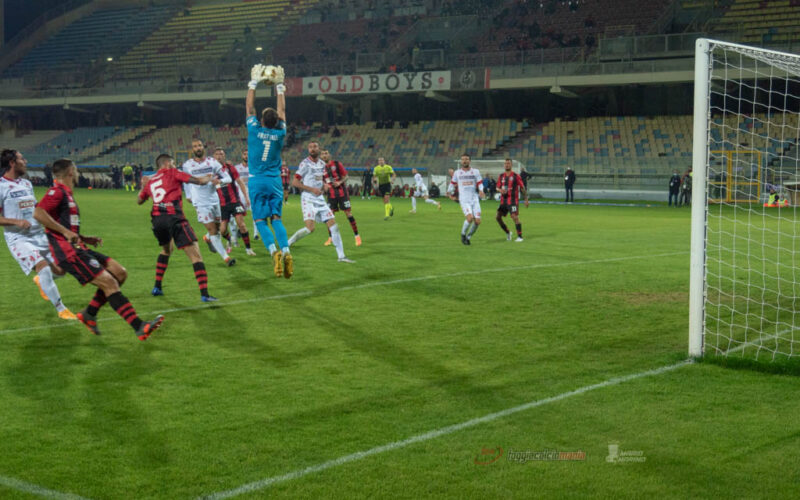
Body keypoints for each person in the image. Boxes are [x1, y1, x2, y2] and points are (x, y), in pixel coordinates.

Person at [34, 159, 163, 340]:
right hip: (68, 252)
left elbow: (64, 224)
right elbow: (38, 213)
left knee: (120, 273)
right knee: (109, 283)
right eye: (76, 170)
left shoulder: (67, 193)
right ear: (71, 171)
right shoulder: (56, 191)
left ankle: (89, 314)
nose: (77, 173)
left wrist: (84, 238)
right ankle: (139, 326)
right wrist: (65, 233)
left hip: (79, 246)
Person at [0, 149, 76, 320]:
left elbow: (36, 209)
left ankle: (41, 281)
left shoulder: (27, 184)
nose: (25, 161)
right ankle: (61, 309)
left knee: (62, 269)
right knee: (43, 266)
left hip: (39, 235)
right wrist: (16, 222)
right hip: (19, 239)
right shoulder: (1, 186)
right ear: (12, 163)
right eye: (21, 159)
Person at [137, 154, 218, 301]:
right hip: (175, 218)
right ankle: (205, 294)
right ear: (168, 163)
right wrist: (209, 176)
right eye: (173, 163)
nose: (175, 166)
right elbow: (199, 181)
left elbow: (139, 201)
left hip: (157, 220)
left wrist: (143, 186)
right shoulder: (173, 172)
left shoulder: (151, 180)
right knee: (196, 255)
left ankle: (157, 287)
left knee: (167, 250)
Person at [246, 63, 293, 278]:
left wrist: (253, 82)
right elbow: (281, 111)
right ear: (276, 122)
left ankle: (273, 251)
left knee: (259, 221)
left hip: (257, 180)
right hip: (275, 181)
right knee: (277, 219)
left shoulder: (254, 130)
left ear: (261, 120)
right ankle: (286, 251)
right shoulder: (280, 133)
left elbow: (249, 109)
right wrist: (280, 86)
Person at [288, 141, 355, 263]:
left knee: (334, 227)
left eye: (315, 147)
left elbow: (322, 179)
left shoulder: (322, 164)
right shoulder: (305, 164)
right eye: (310, 147)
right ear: (308, 150)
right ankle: (288, 243)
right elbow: (295, 182)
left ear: (319, 149)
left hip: (320, 199)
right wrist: (311, 189)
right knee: (310, 229)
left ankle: (341, 256)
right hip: (308, 199)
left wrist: (324, 186)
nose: (313, 149)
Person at [182, 139, 236, 267]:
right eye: (195, 146)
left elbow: (228, 178)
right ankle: (226, 257)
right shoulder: (187, 165)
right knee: (214, 230)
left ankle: (207, 238)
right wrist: (189, 195)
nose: (198, 148)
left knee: (217, 228)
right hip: (200, 202)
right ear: (192, 149)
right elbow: (185, 181)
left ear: (203, 147)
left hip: (214, 200)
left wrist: (220, 182)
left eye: (199, 145)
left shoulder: (213, 162)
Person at [212, 147, 255, 256]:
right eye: (217, 154)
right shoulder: (211, 170)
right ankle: (230, 239)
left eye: (221, 154)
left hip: (234, 201)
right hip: (222, 204)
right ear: (214, 156)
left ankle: (248, 249)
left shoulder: (230, 168)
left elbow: (240, 182)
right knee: (222, 231)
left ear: (224, 156)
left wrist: (246, 197)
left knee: (242, 224)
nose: (219, 156)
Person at [321, 149, 361, 247]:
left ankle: (357, 236)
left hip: (342, 193)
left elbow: (346, 176)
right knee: (329, 216)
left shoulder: (337, 164)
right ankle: (330, 238)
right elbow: (322, 180)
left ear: (329, 154)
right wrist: (324, 185)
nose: (324, 155)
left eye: (326, 153)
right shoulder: (321, 167)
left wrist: (339, 182)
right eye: (322, 154)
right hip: (331, 195)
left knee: (348, 214)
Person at [451, 153, 485, 245]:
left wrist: (481, 190)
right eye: (463, 159)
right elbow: (452, 184)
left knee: (477, 221)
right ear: (461, 161)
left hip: (474, 199)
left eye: (466, 159)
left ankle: (468, 237)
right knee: (470, 218)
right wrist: (449, 193)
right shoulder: (457, 173)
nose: (464, 161)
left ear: (470, 161)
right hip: (464, 200)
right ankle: (463, 234)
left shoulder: (476, 171)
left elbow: (480, 183)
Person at [496, 158, 529, 242]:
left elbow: (522, 188)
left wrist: (526, 199)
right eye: (505, 163)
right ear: (504, 165)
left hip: (513, 200)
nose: (507, 165)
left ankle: (520, 237)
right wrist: (500, 190)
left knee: (514, 217)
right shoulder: (501, 176)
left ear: (511, 165)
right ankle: (508, 232)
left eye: (508, 163)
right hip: (503, 201)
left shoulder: (516, 176)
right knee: (498, 217)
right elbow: (497, 187)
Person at [233, 149, 258, 240]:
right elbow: (234, 180)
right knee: (238, 214)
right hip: (240, 195)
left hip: (252, 193)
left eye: (248, 154)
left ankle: (256, 234)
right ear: (242, 156)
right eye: (244, 154)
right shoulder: (236, 168)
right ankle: (239, 231)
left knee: (255, 214)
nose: (246, 156)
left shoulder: (255, 168)